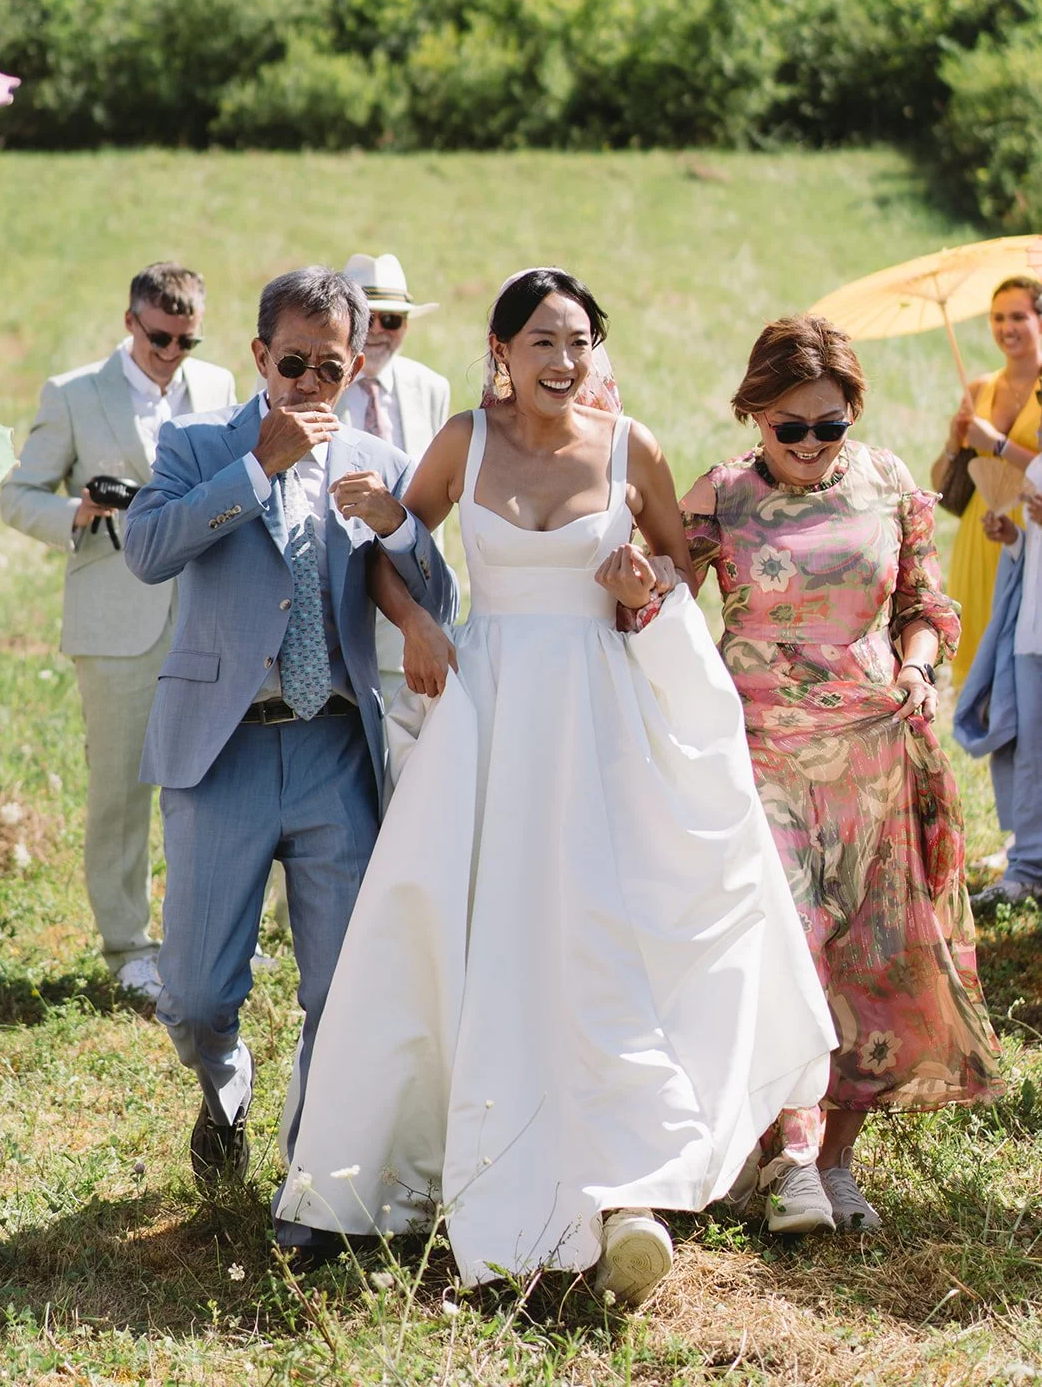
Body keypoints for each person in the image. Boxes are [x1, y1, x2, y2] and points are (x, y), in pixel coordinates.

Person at [275, 268, 835, 1302]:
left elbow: (674, 567)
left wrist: (644, 586)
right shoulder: (462, 441)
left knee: (598, 928)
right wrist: (418, 624)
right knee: (457, 919)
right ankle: (400, 1164)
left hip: (598, 715)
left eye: (578, 341)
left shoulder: (633, 448)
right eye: (541, 341)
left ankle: (623, 1175)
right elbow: (388, 543)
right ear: (501, 349)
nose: (562, 362)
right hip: (488, 711)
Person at [123, 265, 457, 1185]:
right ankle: (224, 1086)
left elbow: (435, 597)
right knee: (192, 993)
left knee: (341, 989)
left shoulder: (381, 462)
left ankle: (313, 1172)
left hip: (332, 748)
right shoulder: (196, 444)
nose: (310, 386)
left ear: (355, 371)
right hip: (219, 747)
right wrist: (255, 466)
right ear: (260, 355)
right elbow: (146, 551)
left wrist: (399, 528)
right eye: (294, 363)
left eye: (332, 369)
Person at [680, 313, 1005, 1232]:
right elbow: (658, 603)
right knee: (787, 945)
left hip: (872, 745)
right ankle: (786, 1159)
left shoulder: (889, 481)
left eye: (830, 425)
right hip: (756, 749)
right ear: (754, 415)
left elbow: (925, 603)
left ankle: (832, 1161)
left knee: (870, 957)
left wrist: (914, 665)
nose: (814, 445)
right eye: (792, 427)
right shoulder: (721, 497)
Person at [0, 263, 236, 1001]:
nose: (170, 354)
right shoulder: (74, 393)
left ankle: (213, 936)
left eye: (185, 341)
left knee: (219, 781)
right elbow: (15, 495)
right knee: (121, 790)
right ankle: (127, 945)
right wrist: (81, 510)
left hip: (205, 612)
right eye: (159, 337)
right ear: (130, 321)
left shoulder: (221, 389)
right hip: (114, 619)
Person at [337, 252, 451, 704]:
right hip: (337, 607)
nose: (381, 331)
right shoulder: (307, 381)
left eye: (393, 319)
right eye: (368, 319)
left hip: (414, 607)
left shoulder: (430, 387)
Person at [932, 277, 1042, 685]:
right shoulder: (979, 388)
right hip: (982, 530)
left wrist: (997, 445)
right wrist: (953, 440)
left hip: (1033, 528)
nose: (1005, 327)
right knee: (982, 656)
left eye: (1018, 316)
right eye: (997, 317)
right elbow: (944, 484)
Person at [968, 471, 1042, 911]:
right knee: (1028, 752)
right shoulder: (1036, 466)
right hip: (1031, 634)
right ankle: (1028, 868)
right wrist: (1015, 538)